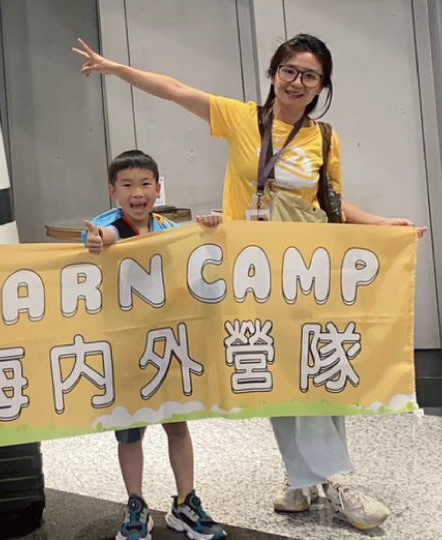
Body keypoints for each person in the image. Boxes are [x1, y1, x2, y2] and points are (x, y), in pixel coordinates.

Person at [74, 32, 428, 531]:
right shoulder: (242, 119)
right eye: (289, 70)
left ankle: (320, 481)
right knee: (279, 370)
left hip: (309, 270)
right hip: (254, 272)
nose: (297, 82)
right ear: (273, 73)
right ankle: (320, 479)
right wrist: (115, 68)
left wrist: (380, 223)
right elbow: (174, 90)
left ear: (322, 85)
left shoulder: (325, 138)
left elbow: (329, 204)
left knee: (316, 368)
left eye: (310, 75)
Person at [84, 150, 226, 540]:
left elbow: (195, 248)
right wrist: (97, 240)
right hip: (126, 349)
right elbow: (102, 237)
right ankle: (136, 505)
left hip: (168, 345)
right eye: (127, 185)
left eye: (146, 184)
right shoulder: (106, 225)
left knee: (177, 425)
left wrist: (208, 227)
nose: (138, 193)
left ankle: (185, 502)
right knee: (130, 432)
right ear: (113, 191)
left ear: (158, 188)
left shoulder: (168, 227)